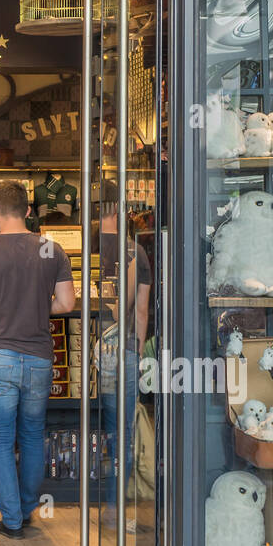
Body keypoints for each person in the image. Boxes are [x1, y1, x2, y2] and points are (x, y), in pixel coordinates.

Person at [0, 180, 75, 539]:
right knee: (31, 436)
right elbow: (67, 304)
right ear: (29, 210)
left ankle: (11, 519)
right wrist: (39, 309)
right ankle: (27, 510)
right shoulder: (52, 249)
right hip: (40, 357)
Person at [94, 185, 151, 522]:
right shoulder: (136, 252)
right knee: (120, 430)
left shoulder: (86, 246)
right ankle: (115, 505)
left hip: (88, 342)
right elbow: (140, 311)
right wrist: (138, 351)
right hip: (121, 348)